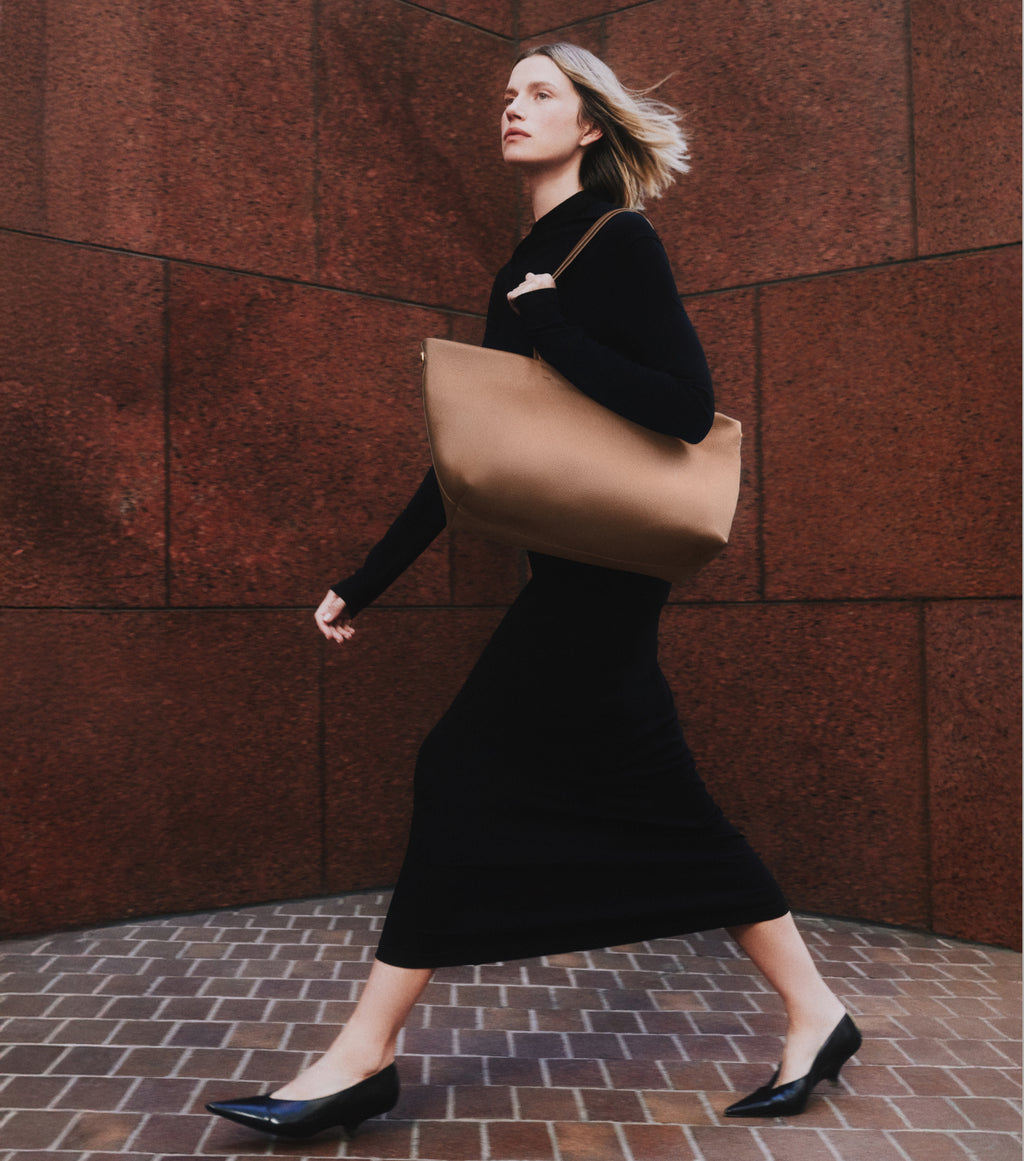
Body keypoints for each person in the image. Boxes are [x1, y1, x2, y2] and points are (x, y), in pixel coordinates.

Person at [206, 42, 861, 1141]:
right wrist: (364, 579)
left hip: (604, 585)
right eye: (507, 95)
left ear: (591, 125)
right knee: (660, 796)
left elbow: (687, 410)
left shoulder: (615, 243)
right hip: (574, 578)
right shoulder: (528, 254)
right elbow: (478, 458)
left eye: (540, 94)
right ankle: (818, 1010)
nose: (513, 109)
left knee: (461, 762)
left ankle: (361, 1058)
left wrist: (550, 322)